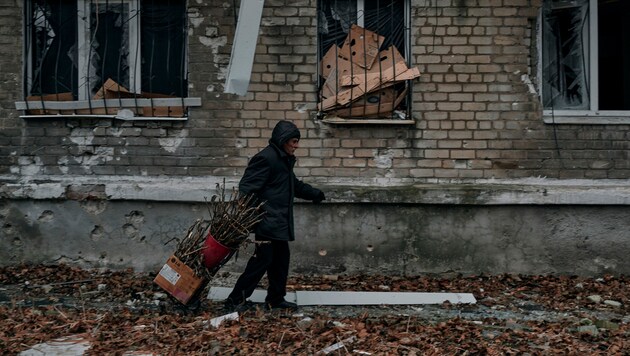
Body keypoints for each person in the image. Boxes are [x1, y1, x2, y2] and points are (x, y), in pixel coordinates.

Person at [225, 120, 325, 312]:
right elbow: (247, 188)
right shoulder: (266, 158)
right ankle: (235, 299)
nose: (296, 146)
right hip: (267, 222)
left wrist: (315, 194)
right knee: (261, 261)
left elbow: (293, 185)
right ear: (283, 140)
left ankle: (276, 300)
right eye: (293, 141)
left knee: (280, 261)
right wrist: (254, 215)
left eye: (297, 142)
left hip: (278, 222)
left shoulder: (282, 160)